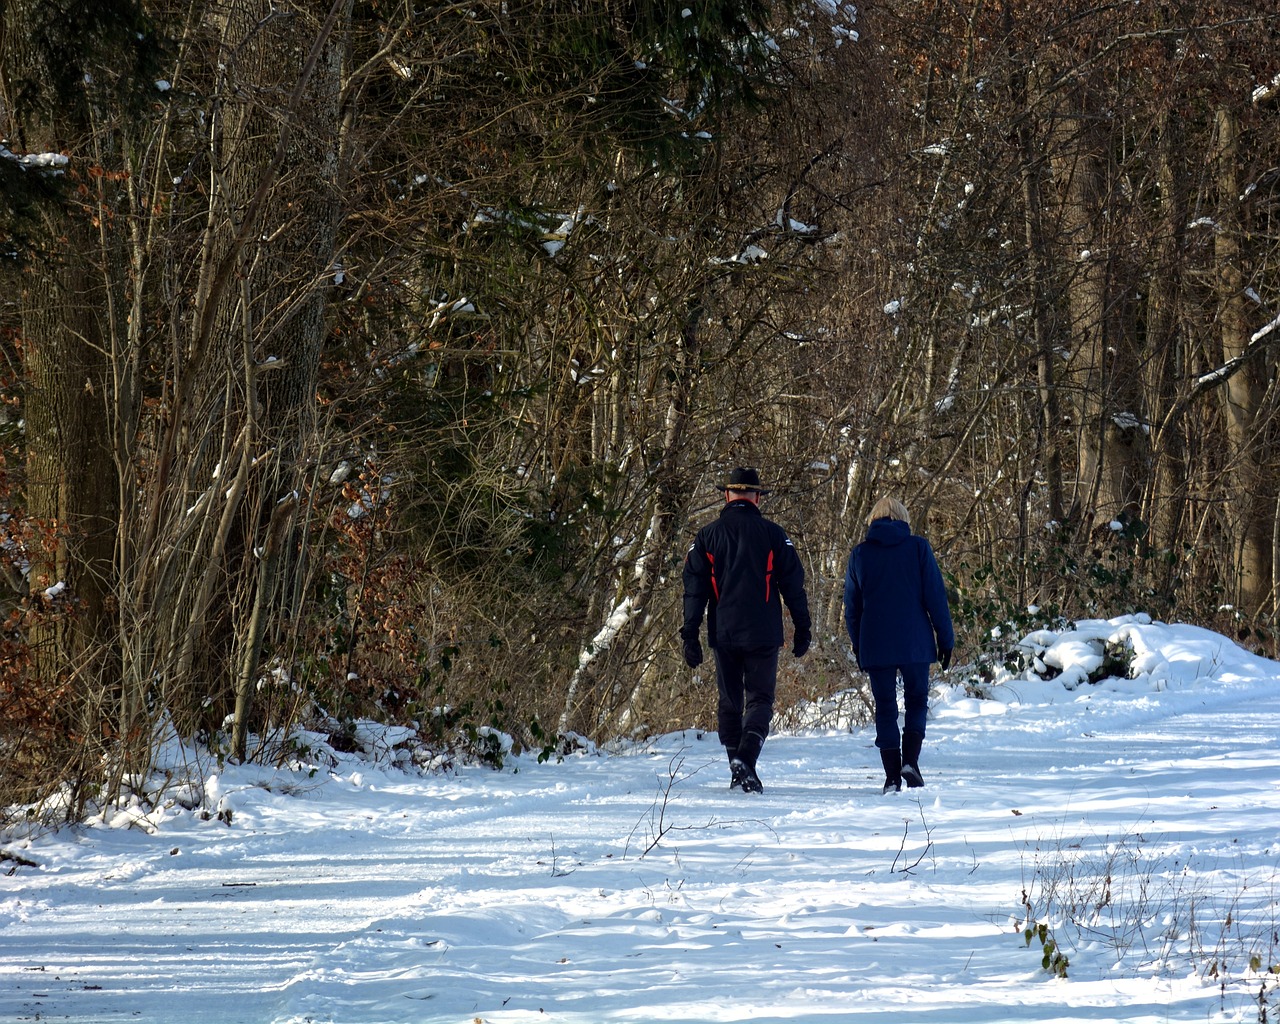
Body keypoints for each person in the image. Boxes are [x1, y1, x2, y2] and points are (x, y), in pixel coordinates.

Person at [681, 467, 811, 794]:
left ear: (727, 495)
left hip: (723, 631)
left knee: (730, 701)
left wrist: (690, 634)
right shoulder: (773, 534)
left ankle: (738, 766)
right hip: (763, 632)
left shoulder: (707, 536)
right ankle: (746, 761)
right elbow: (793, 584)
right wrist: (802, 625)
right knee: (760, 699)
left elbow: (694, 590)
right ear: (755, 497)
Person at [843, 496, 954, 793]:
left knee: (885, 708)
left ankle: (892, 775)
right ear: (904, 519)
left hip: (876, 643)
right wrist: (946, 639)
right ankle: (911, 762)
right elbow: (935, 597)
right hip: (915, 641)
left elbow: (851, 609)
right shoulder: (918, 548)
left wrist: (858, 645)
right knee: (917, 700)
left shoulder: (860, 555)